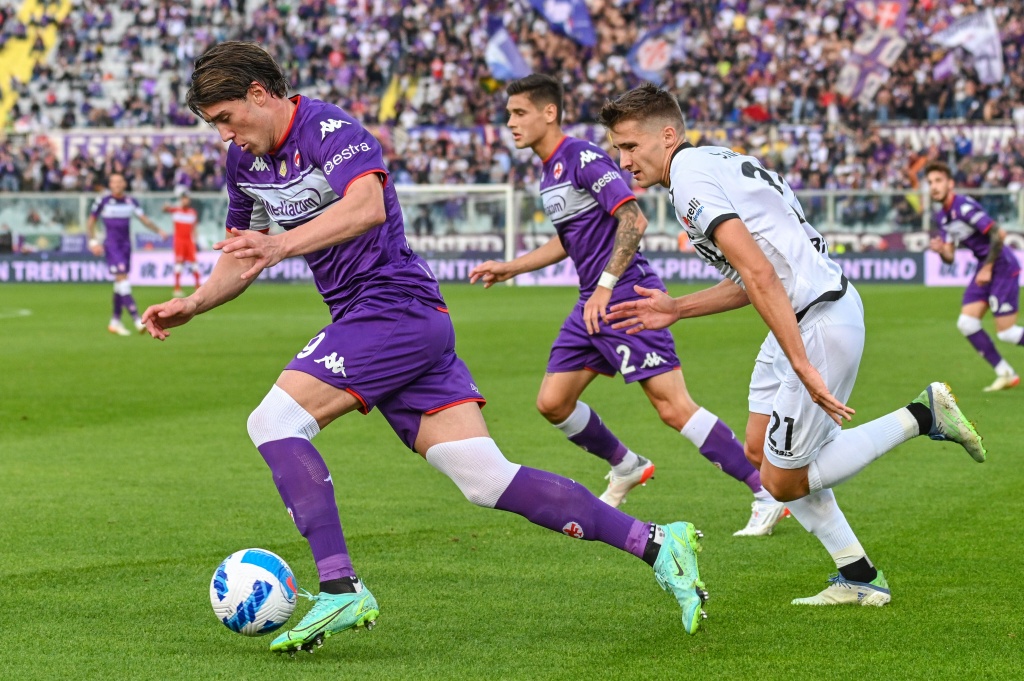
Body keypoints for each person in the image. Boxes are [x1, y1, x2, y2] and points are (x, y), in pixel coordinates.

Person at [141, 43, 710, 652]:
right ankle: (658, 543)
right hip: (389, 323)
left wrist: (282, 245)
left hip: (393, 309)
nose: (225, 135)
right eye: (215, 125)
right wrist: (195, 302)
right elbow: (242, 251)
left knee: (273, 422)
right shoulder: (244, 163)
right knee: (486, 479)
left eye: (227, 118)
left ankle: (339, 588)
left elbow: (365, 207)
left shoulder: (331, 130)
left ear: (259, 94)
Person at [599, 83, 987, 606]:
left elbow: (760, 274)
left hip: (818, 320)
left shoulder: (691, 178)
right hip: (800, 318)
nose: (623, 160)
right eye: (618, 149)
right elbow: (756, 275)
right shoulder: (714, 161)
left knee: (782, 482)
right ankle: (858, 576)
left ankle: (923, 416)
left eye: (630, 146)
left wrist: (802, 363)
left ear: (667, 136)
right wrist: (677, 308)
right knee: (759, 451)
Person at [470, 74, 786, 537]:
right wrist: (512, 267)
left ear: (549, 113)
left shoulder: (582, 158)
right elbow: (568, 240)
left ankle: (765, 492)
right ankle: (626, 465)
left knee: (674, 407)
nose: (510, 123)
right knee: (553, 402)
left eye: (519, 113)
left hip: (624, 294)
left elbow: (632, 220)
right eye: (509, 114)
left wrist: (605, 286)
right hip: (593, 300)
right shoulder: (549, 171)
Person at [925, 161, 1023, 392]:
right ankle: (1005, 374)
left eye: (938, 181)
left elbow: (999, 234)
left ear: (950, 183)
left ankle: (1006, 373)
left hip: (1001, 265)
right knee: (967, 323)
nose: (934, 186)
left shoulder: (963, 207)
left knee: (1007, 333)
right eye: (930, 182)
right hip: (985, 267)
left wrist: (987, 268)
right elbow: (950, 257)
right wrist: (942, 251)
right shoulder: (943, 217)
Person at [86, 173, 167, 336]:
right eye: (113, 182)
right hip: (112, 245)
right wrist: (93, 242)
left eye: (119, 182)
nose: (116, 185)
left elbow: (144, 219)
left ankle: (115, 321)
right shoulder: (103, 201)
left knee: (119, 283)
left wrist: (158, 230)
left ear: (124, 184)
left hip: (126, 246)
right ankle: (137, 320)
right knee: (123, 279)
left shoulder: (131, 201)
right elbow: (91, 221)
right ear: (110, 185)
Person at [163, 189, 202, 297]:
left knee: (195, 264)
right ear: (181, 199)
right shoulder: (176, 210)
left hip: (189, 242)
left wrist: (196, 241)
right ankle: (177, 288)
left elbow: (194, 228)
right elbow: (164, 209)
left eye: (187, 199)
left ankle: (198, 287)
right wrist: (167, 205)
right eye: (184, 198)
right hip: (179, 241)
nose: (186, 201)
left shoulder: (192, 212)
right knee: (179, 264)